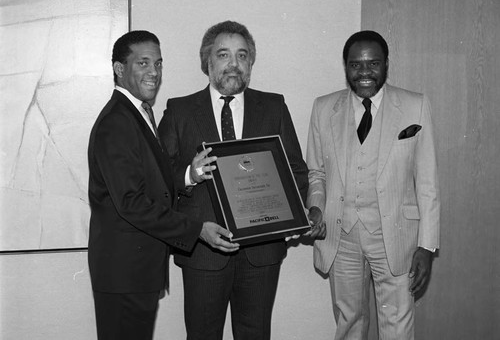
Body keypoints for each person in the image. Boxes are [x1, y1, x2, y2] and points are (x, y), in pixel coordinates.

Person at [158, 20, 308, 340]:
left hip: (262, 253)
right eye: (223, 55)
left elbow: (296, 171)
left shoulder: (273, 106)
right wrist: (190, 174)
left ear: (250, 63)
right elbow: (157, 181)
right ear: (207, 62)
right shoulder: (180, 110)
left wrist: (294, 218)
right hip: (202, 251)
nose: (233, 64)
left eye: (242, 56)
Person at [87, 30, 239, 340]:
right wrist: (196, 229)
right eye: (143, 63)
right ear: (119, 69)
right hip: (124, 272)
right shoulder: (117, 121)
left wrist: (189, 176)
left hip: (136, 268)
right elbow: (132, 202)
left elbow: (150, 182)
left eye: (158, 63)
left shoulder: (138, 113)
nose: (154, 72)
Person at [306, 30, 440, 339]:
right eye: (356, 65)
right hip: (342, 235)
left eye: (373, 64)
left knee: (396, 325)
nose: (365, 72)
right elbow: (317, 173)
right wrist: (315, 207)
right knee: (349, 322)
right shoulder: (324, 108)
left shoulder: (414, 106)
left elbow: (428, 183)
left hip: (396, 237)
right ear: (346, 67)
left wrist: (427, 245)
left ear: (386, 65)